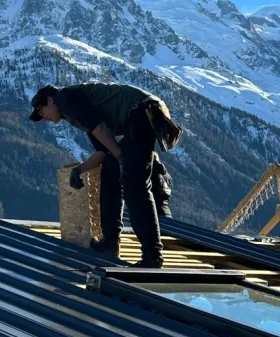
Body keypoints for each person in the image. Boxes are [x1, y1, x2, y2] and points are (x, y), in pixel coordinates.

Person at [29, 82, 182, 268]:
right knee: (110, 173)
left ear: (50, 100)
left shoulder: (65, 99)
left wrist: (121, 157)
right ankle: (110, 244)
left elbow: (101, 131)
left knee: (135, 187)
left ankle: (153, 256)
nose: (41, 116)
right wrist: (79, 170)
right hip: (142, 114)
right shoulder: (76, 110)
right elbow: (104, 151)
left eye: (40, 109)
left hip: (142, 112)